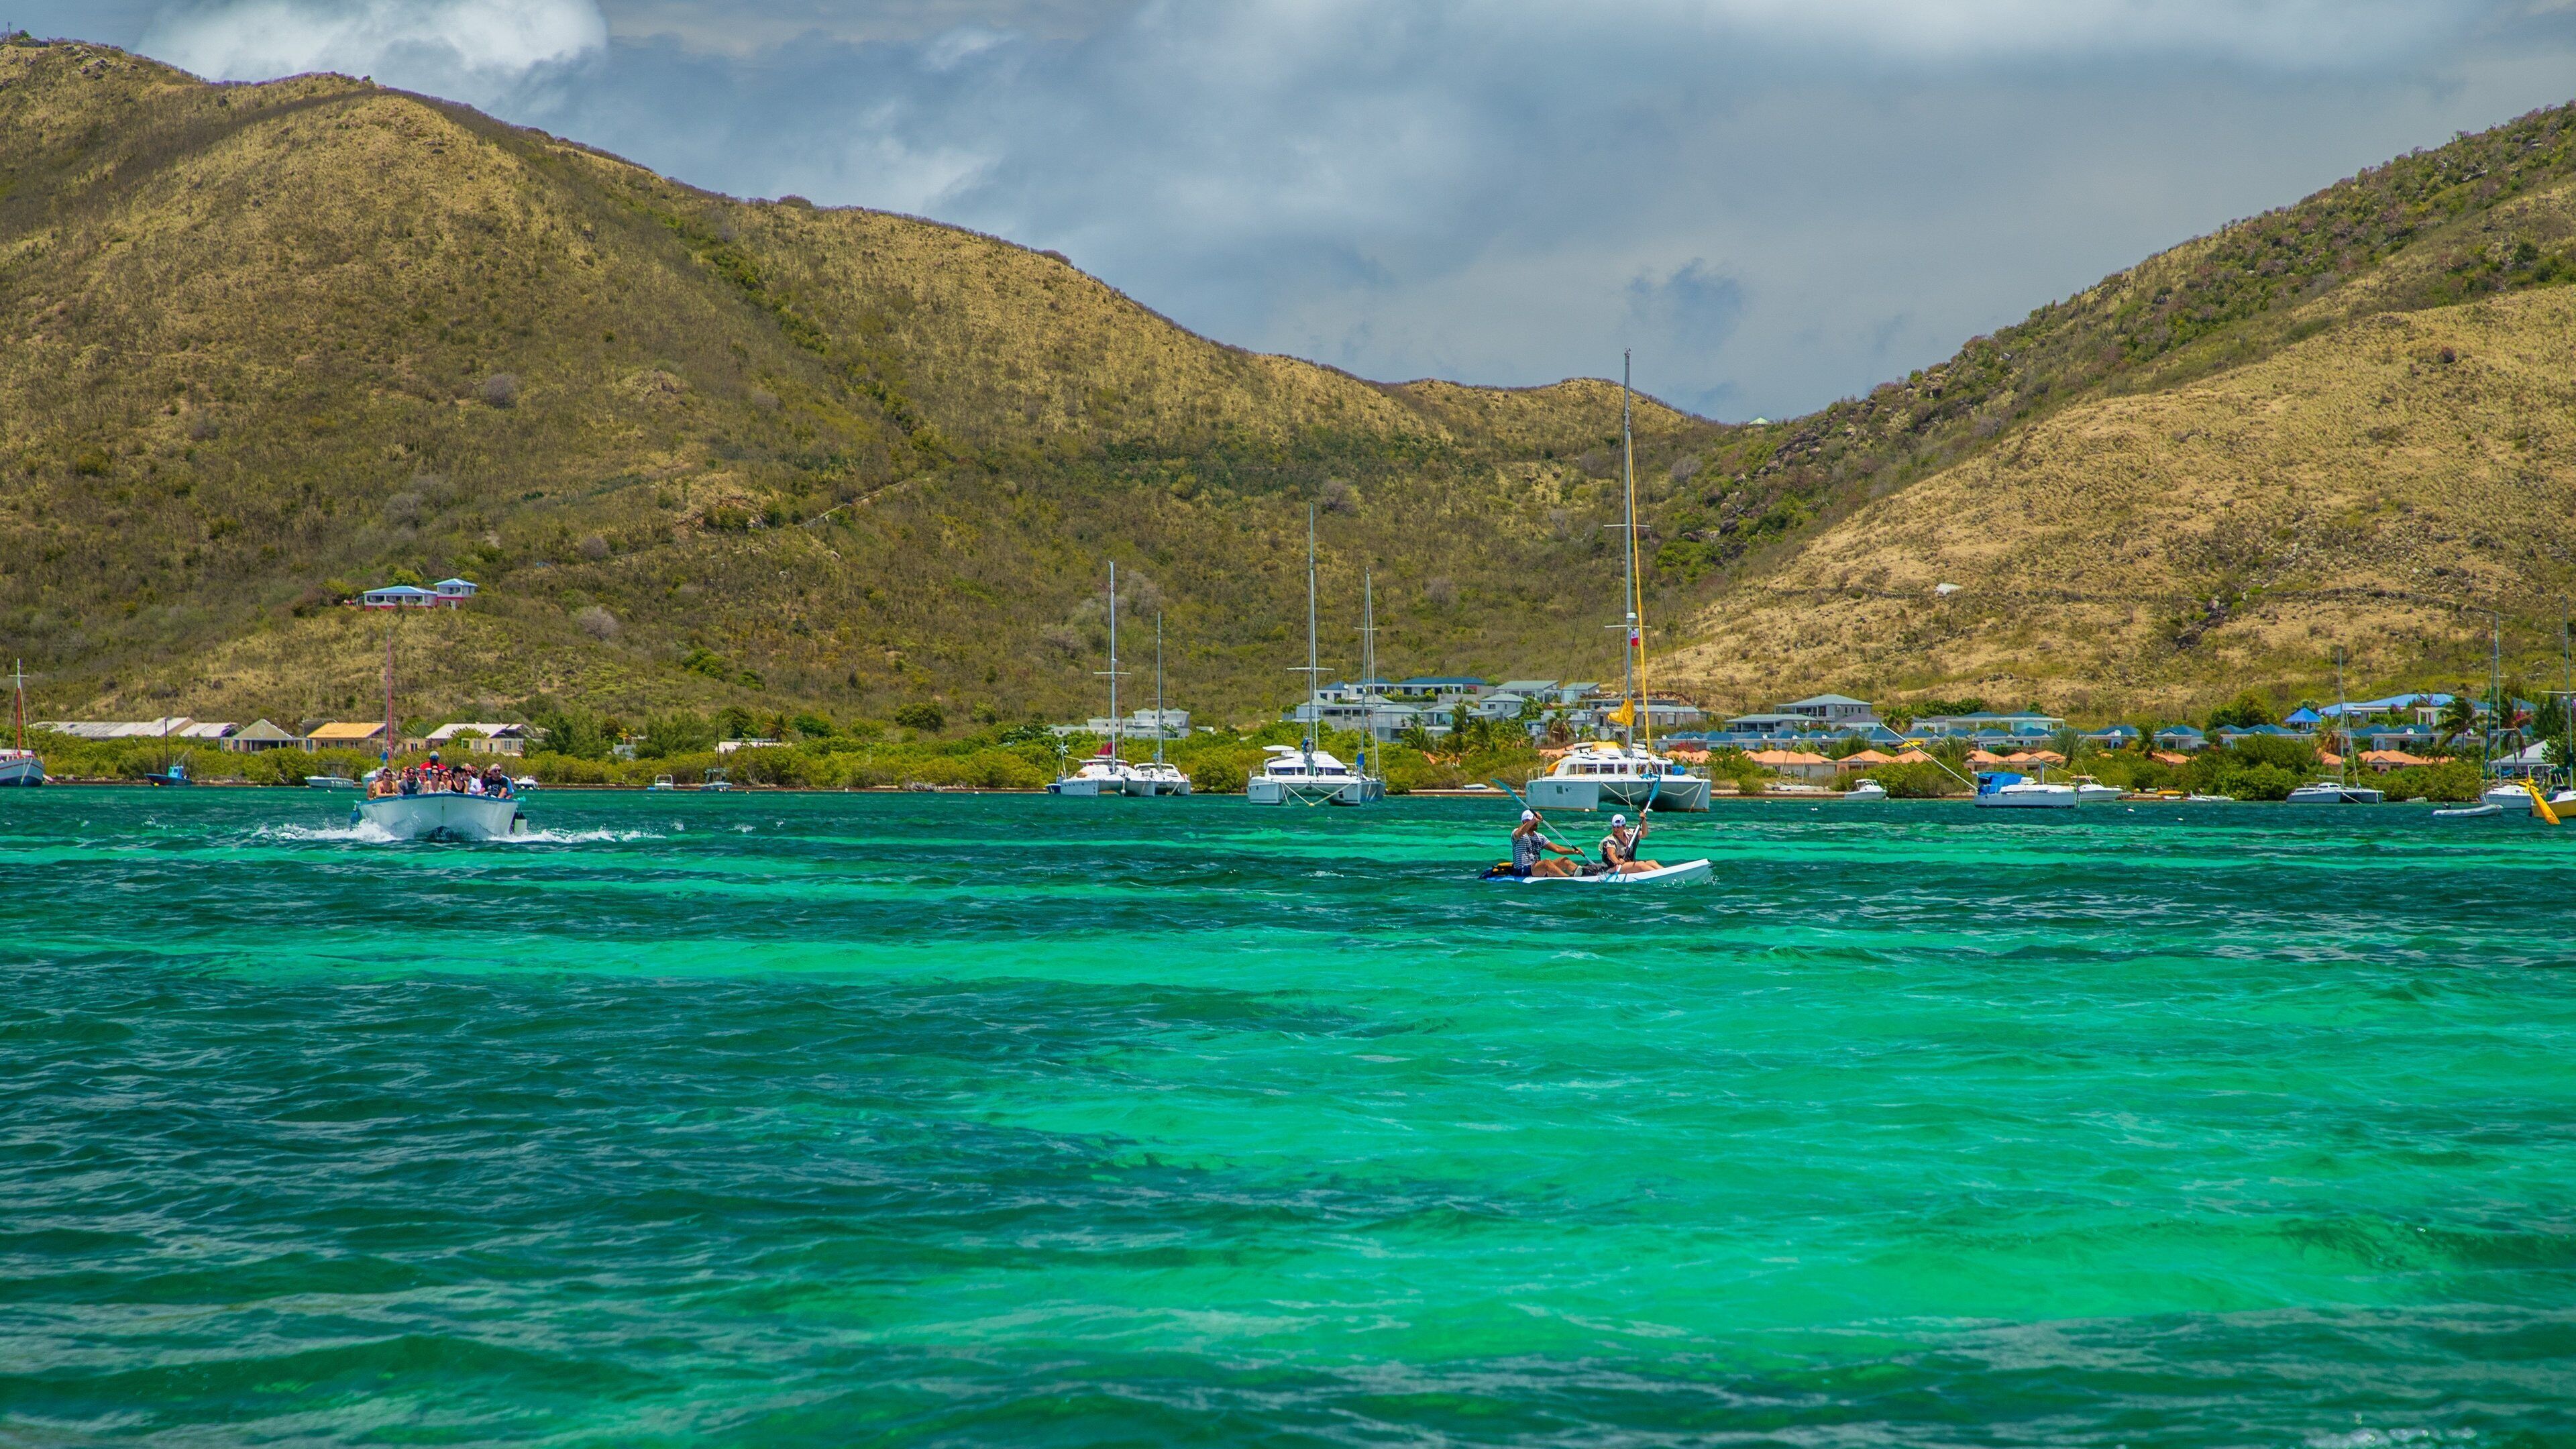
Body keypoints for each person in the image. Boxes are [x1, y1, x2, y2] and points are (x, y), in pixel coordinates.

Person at [1509, 808, 1585, 877]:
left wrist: (1573, 851)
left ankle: (1585, 875)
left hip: (1537, 869)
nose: (1536, 823)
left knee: (1564, 860)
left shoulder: (1540, 837)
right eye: (1533, 821)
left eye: (1536, 821)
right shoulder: (1517, 833)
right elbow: (1518, 834)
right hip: (1522, 870)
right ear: (1525, 822)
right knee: (1546, 862)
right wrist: (1534, 820)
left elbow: (1557, 849)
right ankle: (1568, 878)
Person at [1599, 812, 1663, 875]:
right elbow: (1611, 855)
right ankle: (1659, 875)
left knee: (1652, 862)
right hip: (1613, 868)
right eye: (1614, 826)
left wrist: (1643, 820)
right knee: (1640, 865)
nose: (1616, 829)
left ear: (1624, 826)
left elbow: (1644, 834)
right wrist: (1618, 861)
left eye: (1618, 827)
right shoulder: (1611, 840)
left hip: (1626, 865)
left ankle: (1664, 872)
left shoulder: (1629, 833)